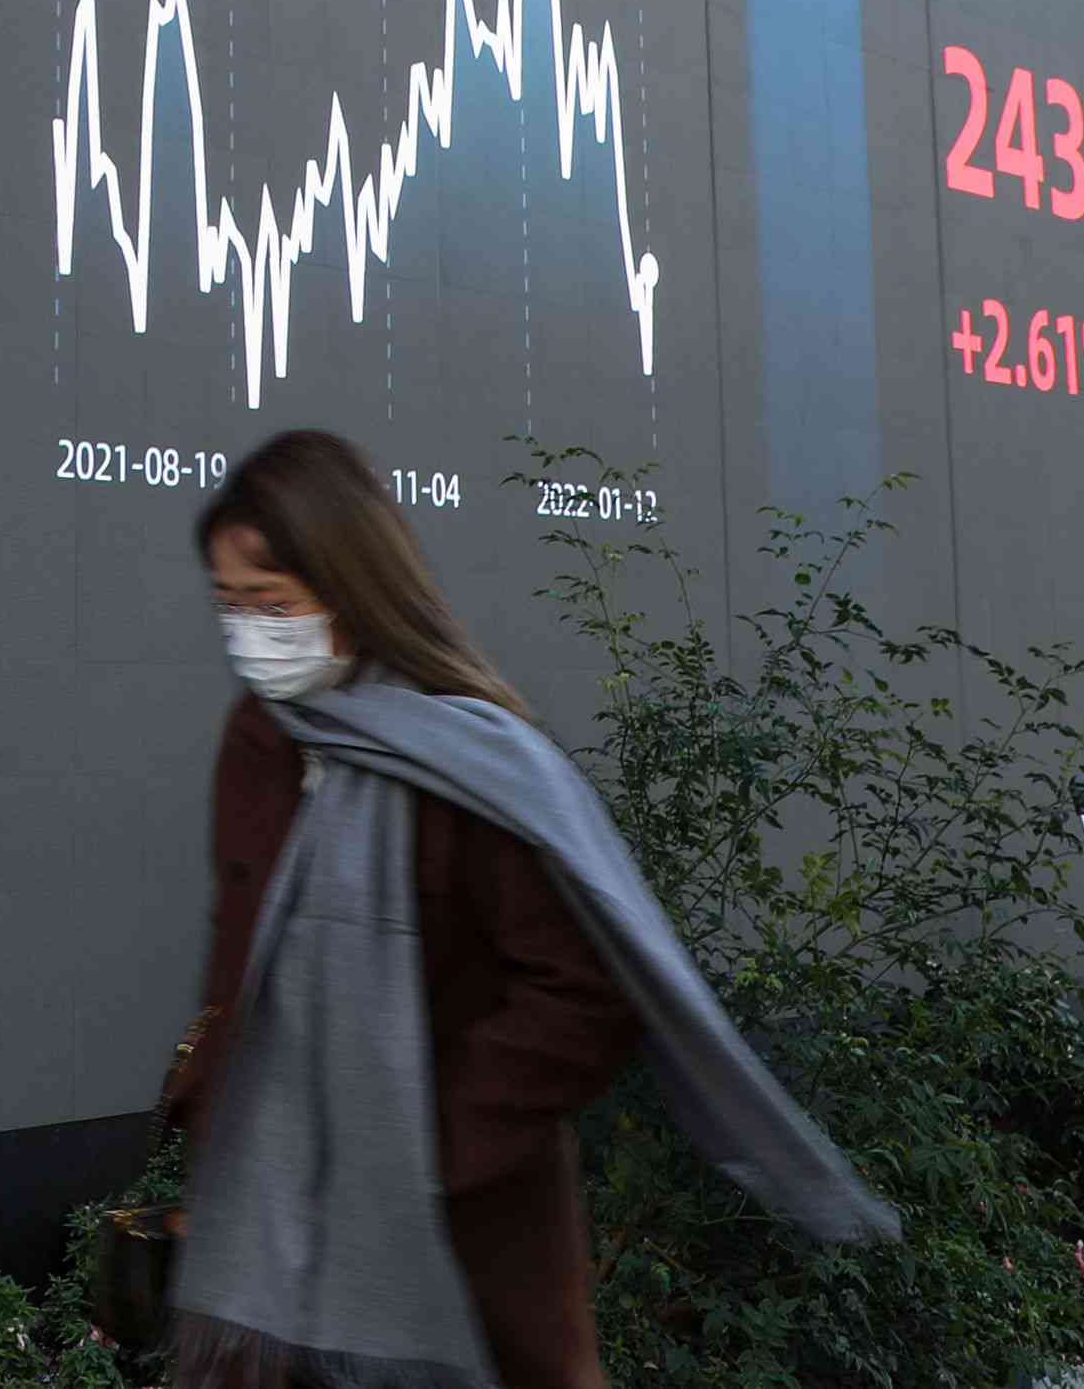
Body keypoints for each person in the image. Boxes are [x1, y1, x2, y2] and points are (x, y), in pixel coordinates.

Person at [157, 432, 891, 1389]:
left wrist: (429, 1143)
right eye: (229, 606)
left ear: (350, 587)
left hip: (461, 1234)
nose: (250, 633)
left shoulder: (471, 759)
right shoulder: (262, 738)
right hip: (274, 1234)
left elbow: (582, 993)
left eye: (273, 604)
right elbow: (240, 953)